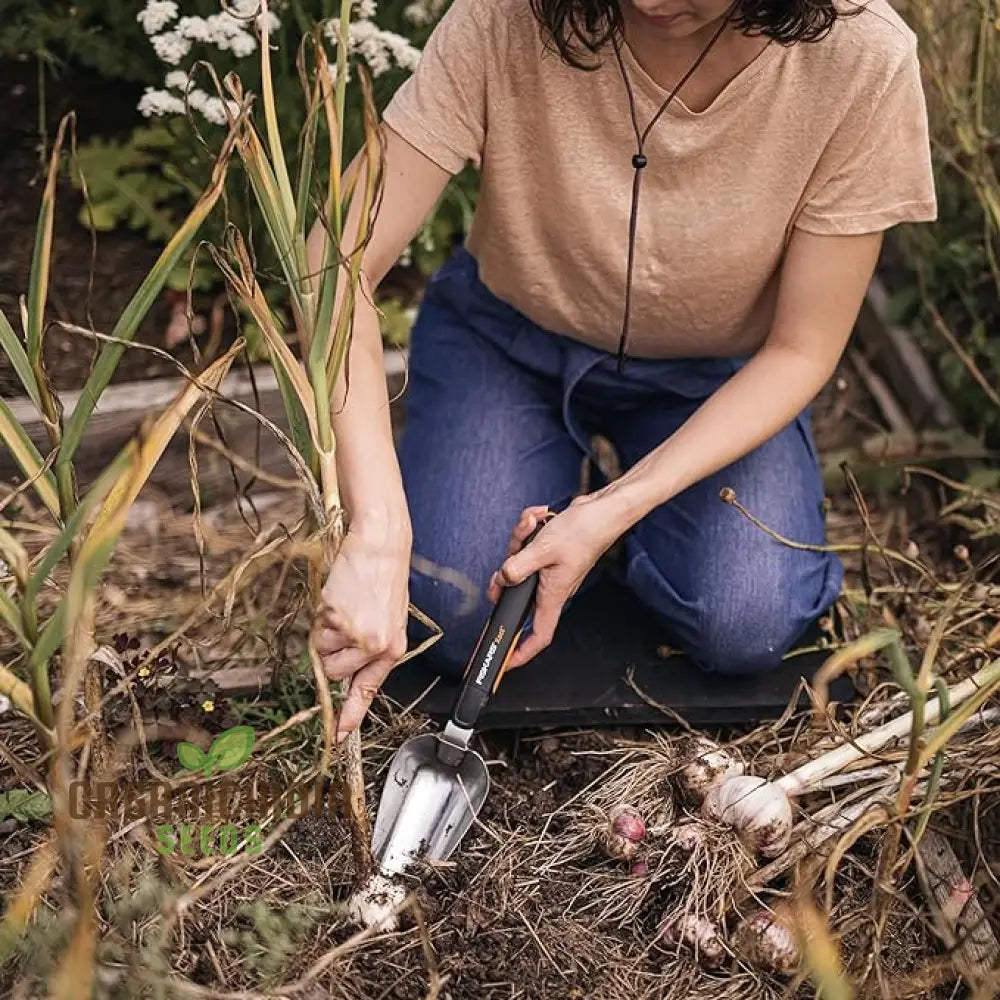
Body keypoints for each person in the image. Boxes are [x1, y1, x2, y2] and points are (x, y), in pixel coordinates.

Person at [310, 0, 937, 739]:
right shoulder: (506, 14)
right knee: (451, 618)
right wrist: (377, 530)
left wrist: (611, 513)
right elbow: (333, 264)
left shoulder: (864, 58)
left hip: (714, 380)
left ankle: (611, 515)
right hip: (511, 344)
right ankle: (556, 503)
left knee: (747, 622)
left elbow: (801, 350)